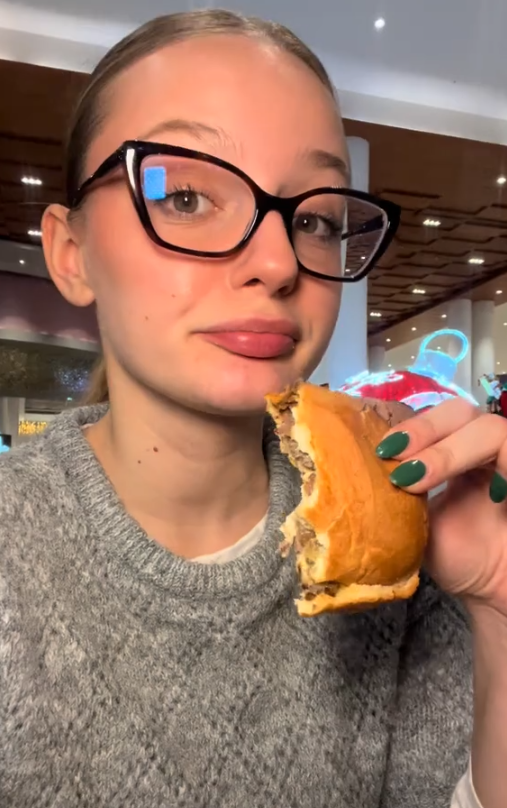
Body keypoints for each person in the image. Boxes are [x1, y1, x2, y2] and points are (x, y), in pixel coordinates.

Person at [1, 9, 507, 808]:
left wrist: (499, 621)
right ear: (72, 253)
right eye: (186, 196)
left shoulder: (407, 555)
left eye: (313, 220)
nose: (276, 262)